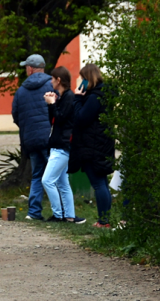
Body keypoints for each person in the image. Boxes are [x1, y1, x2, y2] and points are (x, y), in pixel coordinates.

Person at [11, 54, 54, 221]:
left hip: (31, 139)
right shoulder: (52, 84)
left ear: (30, 68)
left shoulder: (21, 91)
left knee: (37, 175)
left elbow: (15, 115)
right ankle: (61, 211)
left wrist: (27, 127)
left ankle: (34, 211)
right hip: (51, 138)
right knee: (55, 175)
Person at [72, 63, 115, 228]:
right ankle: (105, 219)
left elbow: (81, 119)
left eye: (81, 78)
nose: (79, 80)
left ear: (87, 79)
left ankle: (104, 221)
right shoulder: (103, 95)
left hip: (93, 146)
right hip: (101, 144)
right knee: (102, 183)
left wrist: (77, 97)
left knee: (98, 184)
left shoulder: (93, 98)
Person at [42, 66, 85, 224]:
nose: (51, 82)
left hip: (62, 146)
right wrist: (51, 104)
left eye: (53, 79)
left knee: (47, 180)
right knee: (62, 182)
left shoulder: (69, 97)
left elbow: (60, 118)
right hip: (58, 144)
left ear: (59, 80)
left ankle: (58, 214)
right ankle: (69, 216)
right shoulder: (63, 97)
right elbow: (53, 121)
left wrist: (52, 104)